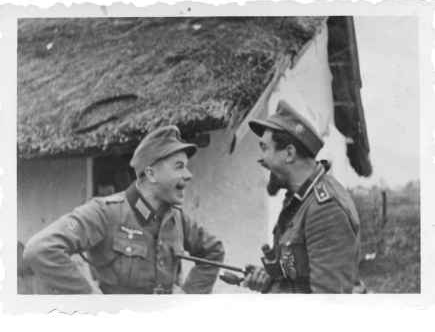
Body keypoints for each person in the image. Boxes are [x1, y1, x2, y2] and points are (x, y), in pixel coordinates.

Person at [23, 125, 225, 294]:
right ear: (151, 174)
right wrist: (90, 302)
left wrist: (188, 302)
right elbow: (40, 249)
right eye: (179, 166)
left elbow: (213, 251)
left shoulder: (177, 219)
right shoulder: (104, 212)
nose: (188, 175)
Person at [245, 100, 361, 293]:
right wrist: (271, 278)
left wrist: (273, 289)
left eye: (265, 148)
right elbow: (298, 276)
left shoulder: (325, 209)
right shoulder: (299, 201)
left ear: (289, 153)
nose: (261, 159)